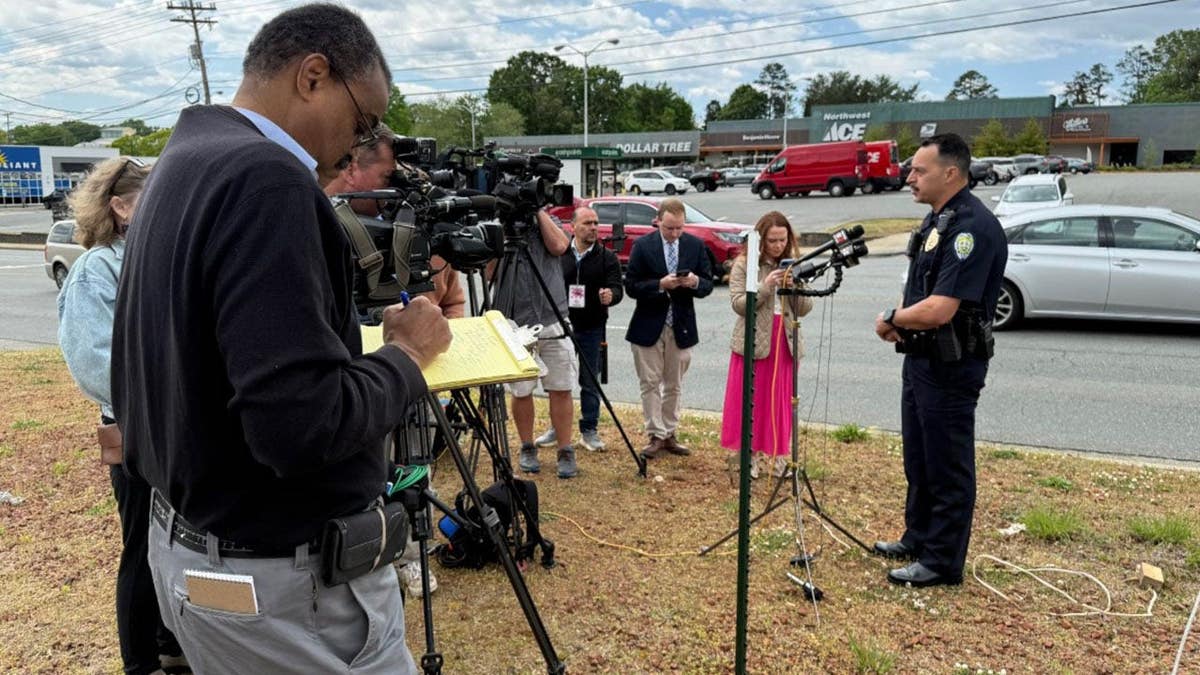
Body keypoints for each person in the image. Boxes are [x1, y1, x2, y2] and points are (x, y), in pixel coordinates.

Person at [111, 5, 451, 672]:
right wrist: (407, 355)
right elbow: (298, 426)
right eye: (363, 119)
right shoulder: (267, 180)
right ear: (313, 76)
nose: (360, 142)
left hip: (191, 548)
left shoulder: (184, 159)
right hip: (284, 587)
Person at [58, 157, 189, 675]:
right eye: (152, 198)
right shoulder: (97, 268)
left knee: (176, 543)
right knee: (143, 546)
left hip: (177, 427)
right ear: (120, 206)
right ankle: (142, 663)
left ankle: (170, 644)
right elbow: (94, 363)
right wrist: (166, 396)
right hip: (137, 430)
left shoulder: (158, 257)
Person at [872, 133, 1007, 588]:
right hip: (921, 360)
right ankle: (919, 537)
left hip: (951, 365)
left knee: (947, 463)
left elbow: (941, 309)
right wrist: (901, 318)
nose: (909, 177)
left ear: (950, 173)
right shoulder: (937, 220)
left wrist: (892, 319)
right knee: (920, 457)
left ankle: (942, 561)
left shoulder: (972, 228)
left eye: (919, 170)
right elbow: (919, 290)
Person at [323, 126, 465, 319]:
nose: (394, 187)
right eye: (388, 177)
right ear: (350, 169)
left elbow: (453, 302)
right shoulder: (316, 228)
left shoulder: (415, 228)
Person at [719, 211, 813, 479]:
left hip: (784, 340)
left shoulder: (794, 264)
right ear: (761, 240)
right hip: (755, 339)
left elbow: (805, 308)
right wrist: (764, 286)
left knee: (780, 402)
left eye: (783, 240)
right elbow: (739, 305)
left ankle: (778, 456)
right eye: (772, 240)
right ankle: (747, 456)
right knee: (750, 400)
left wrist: (795, 287)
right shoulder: (744, 264)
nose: (778, 245)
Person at [623, 197, 713, 459]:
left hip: (681, 325)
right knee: (650, 382)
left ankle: (669, 432)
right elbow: (631, 286)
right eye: (669, 228)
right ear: (658, 222)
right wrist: (660, 285)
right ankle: (656, 434)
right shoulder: (643, 245)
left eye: (679, 228)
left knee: (674, 384)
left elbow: (708, 284)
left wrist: (694, 282)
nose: (674, 234)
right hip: (648, 324)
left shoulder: (695, 245)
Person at [491, 208, 577, 478]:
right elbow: (490, 273)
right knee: (521, 389)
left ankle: (565, 449)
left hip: (553, 315)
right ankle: (527, 446)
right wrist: (501, 233)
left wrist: (537, 210)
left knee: (561, 386)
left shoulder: (549, 222)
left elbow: (560, 246)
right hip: (515, 318)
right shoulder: (498, 226)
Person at [533, 206, 623, 453]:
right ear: (573, 227)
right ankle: (557, 428)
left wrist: (611, 295)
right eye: (587, 223)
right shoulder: (559, 253)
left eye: (596, 223)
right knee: (558, 382)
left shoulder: (607, 257)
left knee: (590, 380)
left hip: (591, 327)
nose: (593, 228)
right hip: (561, 325)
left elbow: (618, 288)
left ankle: (589, 430)